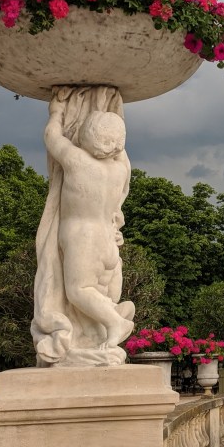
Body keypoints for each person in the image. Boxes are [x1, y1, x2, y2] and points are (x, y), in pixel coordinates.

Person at [43, 89, 135, 350]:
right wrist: (113, 115)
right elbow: (121, 152)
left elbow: (52, 136)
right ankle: (111, 311)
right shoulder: (120, 170)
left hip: (84, 238)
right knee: (99, 289)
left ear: (86, 136)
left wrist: (57, 111)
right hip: (108, 241)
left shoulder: (77, 160)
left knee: (78, 290)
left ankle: (114, 322)